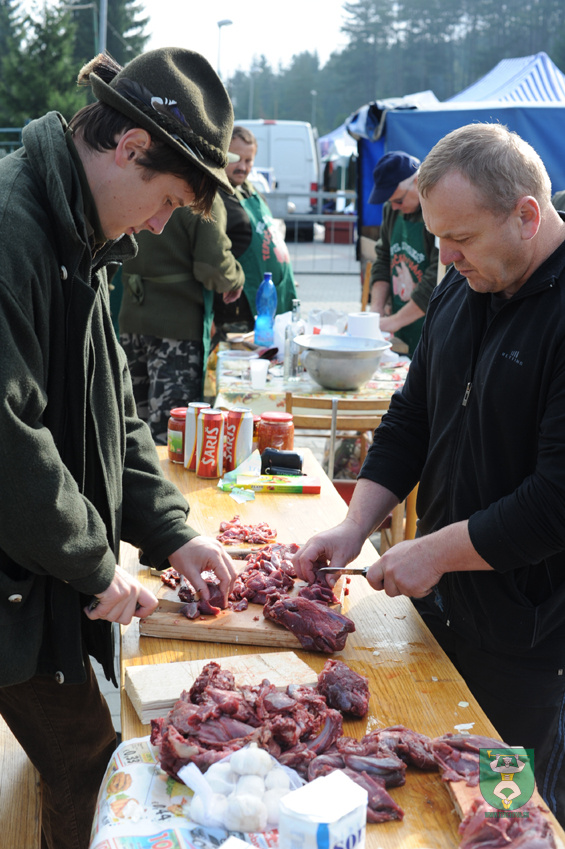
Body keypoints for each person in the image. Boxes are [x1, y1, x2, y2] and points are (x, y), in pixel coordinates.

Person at [0, 48, 239, 849]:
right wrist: (95, 562)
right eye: (167, 199)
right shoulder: (13, 229)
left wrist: (173, 529)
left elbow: (113, 414)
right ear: (129, 147)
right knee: (85, 762)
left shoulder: (81, 238)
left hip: (27, 567)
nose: (161, 224)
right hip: (14, 569)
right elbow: (7, 439)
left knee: (80, 758)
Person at [294, 123, 565, 824]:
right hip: (437, 614)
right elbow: (412, 416)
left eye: (462, 239)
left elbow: (554, 501)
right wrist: (358, 522)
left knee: (504, 819)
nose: (443, 256)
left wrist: (433, 551)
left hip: (527, 643)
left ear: (526, 216)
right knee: (422, 811)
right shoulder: (462, 284)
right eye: (440, 238)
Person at [119, 180, 244, 444]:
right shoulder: (198, 195)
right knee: (171, 434)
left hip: (132, 321)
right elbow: (213, 266)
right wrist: (236, 279)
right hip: (176, 330)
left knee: (130, 429)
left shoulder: (143, 181)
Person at [213, 125, 298, 333]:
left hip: (268, 305)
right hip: (237, 312)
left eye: (248, 160)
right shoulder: (214, 196)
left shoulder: (250, 190)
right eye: (235, 158)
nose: (242, 166)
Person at [368, 150, 439, 357]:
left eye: (398, 200)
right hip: (400, 324)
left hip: (431, 327)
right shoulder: (392, 209)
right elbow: (383, 258)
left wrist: (393, 321)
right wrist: (377, 310)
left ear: (417, 182)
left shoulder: (435, 211)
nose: (395, 207)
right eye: (390, 202)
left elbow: (438, 275)